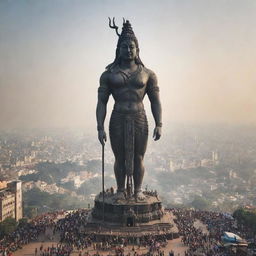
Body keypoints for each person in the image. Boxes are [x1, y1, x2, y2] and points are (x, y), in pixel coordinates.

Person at [96, 19, 162, 200]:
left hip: (139, 116)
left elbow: (155, 100)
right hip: (118, 116)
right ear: (118, 50)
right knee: (119, 157)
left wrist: (159, 123)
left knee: (139, 157)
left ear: (137, 49)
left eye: (131, 46)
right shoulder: (109, 74)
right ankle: (119, 189)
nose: (128, 50)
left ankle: (138, 190)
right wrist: (99, 126)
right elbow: (102, 102)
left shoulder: (148, 74)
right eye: (124, 47)